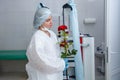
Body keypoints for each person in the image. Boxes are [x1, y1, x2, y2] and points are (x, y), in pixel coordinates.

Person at [26, 3, 65, 80]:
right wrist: (60, 65)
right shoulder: (37, 37)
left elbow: (56, 52)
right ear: (40, 21)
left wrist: (60, 62)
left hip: (55, 72)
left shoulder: (52, 34)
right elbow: (40, 60)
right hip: (43, 74)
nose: (51, 22)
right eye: (47, 20)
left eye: (51, 19)